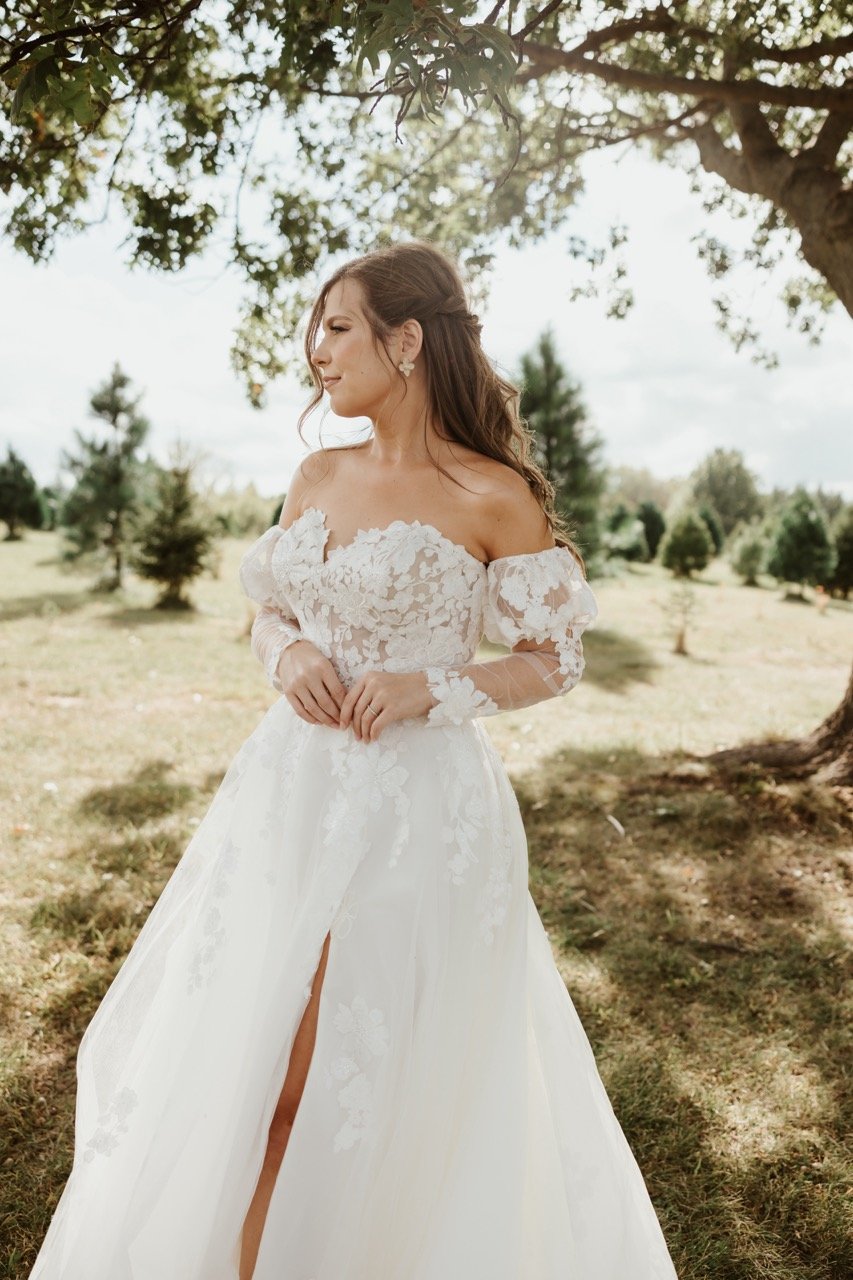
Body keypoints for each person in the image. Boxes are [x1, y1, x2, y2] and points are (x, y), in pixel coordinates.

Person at [30, 239, 679, 1279]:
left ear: (406, 339)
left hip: (414, 817)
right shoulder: (316, 472)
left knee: (349, 1088)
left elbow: (553, 658)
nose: (316, 352)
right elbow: (272, 615)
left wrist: (435, 685)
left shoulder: (488, 493)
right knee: (249, 1075)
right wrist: (285, 653)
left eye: (337, 327)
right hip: (285, 796)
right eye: (316, 330)